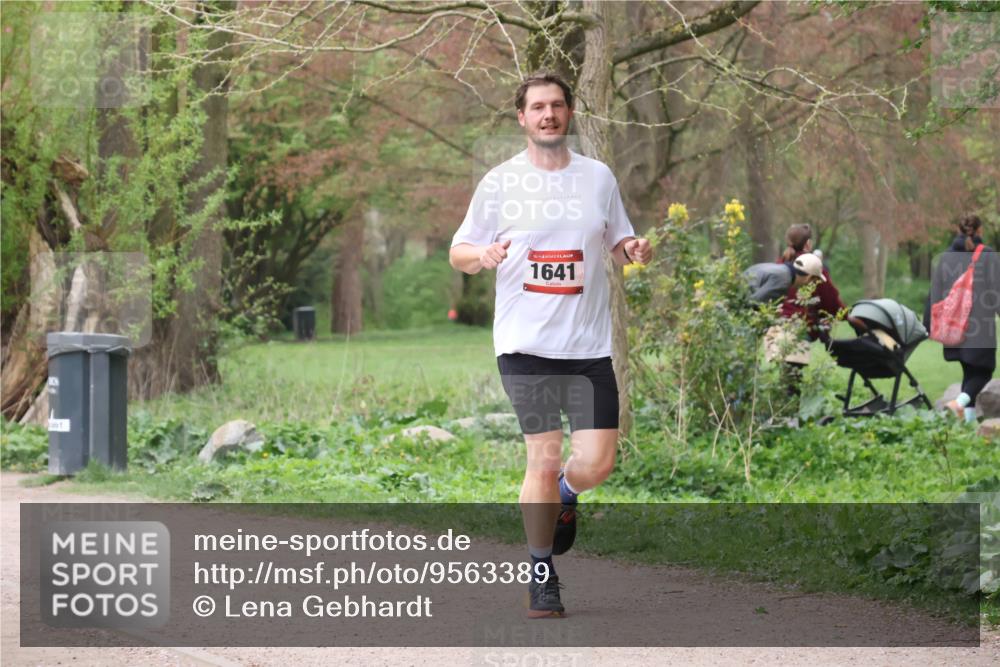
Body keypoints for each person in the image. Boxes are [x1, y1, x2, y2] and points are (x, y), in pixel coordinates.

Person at [449, 72, 651, 618]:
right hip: (525, 344)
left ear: (569, 113)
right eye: (537, 107)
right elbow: (459, 251)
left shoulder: (598, 178)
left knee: (597, 464)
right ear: (522, 117)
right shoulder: (500, 182)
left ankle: (566, 495)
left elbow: (617, 240)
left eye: (557, 105)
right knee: (542, 456)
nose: (548, 115)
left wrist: (633, 248)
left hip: (587, 346)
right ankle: (541, 572)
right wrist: (482, 257)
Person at [926, 214, 1000, 422]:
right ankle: (957, 404)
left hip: (953, 328)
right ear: (979, 231)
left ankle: (967, 424)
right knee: (984, 371)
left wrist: (928, 325)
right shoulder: (987, 255)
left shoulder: (947, 257)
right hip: (980, 328)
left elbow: (934, 293)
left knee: (970, 373)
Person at [744, 252, 826, 304]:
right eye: (814, 281)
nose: (812, 285)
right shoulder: (784, 280)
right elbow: (755, 303)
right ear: (809, 277)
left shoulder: (783, 270)